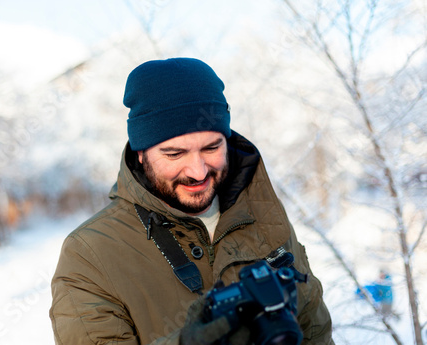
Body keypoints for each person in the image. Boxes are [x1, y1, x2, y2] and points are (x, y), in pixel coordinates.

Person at [49, 57, 334, 344]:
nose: (198, 171)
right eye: (174, 154)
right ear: (141, 153)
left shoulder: (263, 215)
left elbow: (315, 331)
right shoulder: (90, 253)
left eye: (212, 147)